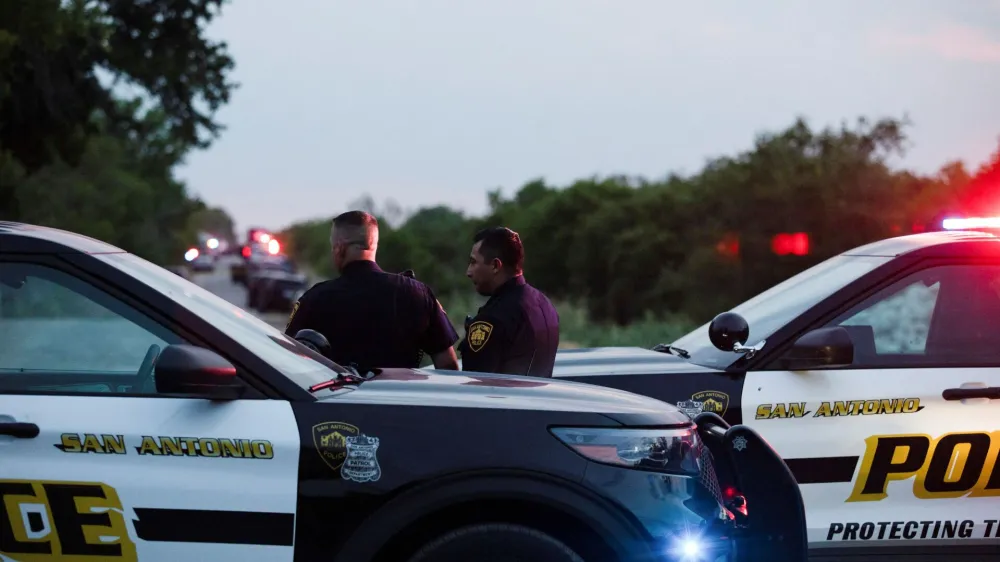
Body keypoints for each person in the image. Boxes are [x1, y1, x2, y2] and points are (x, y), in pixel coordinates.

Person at [284, 210, 460, 372]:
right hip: (401, 403)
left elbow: (287, 360)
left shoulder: (315, 298)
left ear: (339, 247)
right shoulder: (418, 293)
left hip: (338, 403)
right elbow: (448, 366)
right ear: (373, 244)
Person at [459, 226, 559, 377]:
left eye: (473, 262)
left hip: (505, 399)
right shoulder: (544, 304)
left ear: (495, 266)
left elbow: (476, 386)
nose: (468, 272)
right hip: (539, 399)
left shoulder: (493, 318)